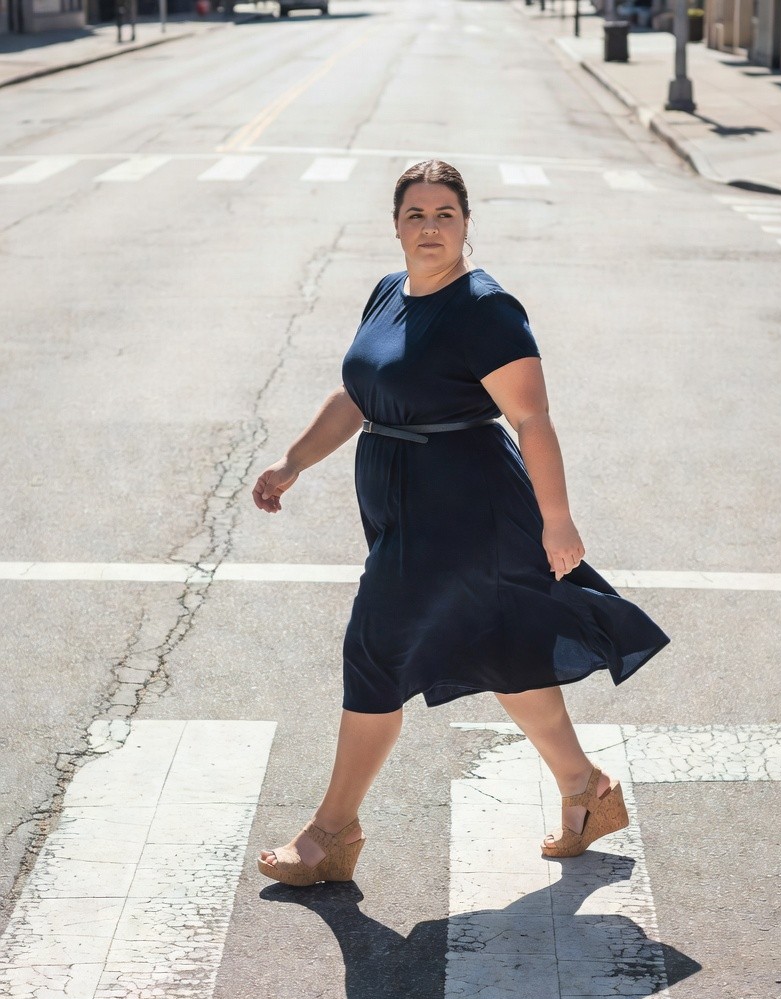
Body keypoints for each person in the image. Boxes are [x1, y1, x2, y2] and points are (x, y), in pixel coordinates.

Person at [252, 159, 669, 886]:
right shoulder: (388, 293)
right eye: (416, 214)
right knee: (502, 648)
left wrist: (558, 519)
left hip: (462, 509)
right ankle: (585, 789)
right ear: (396, 226)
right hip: (400, 508)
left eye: (445, 213)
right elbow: (359, 395)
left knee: (374, 653)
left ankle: (331, 832)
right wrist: (293, 462)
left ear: (468, 223)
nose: (430, 227)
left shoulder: (485, 308)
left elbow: (532, 418)